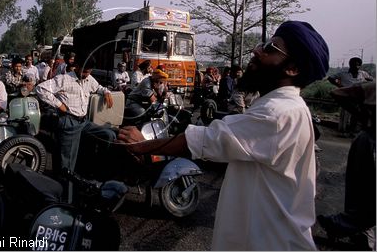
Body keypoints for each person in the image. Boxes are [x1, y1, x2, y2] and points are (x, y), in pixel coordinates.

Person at [117, 20, 330, 250]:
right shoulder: (287, 106)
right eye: (263, 44)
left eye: (270, 48)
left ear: (293, 69)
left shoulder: (279, 113)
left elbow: (205, 139)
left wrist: (142, 145)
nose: (257, 50)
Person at [317, 81, 376, 250]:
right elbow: (339, 93)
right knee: (363, 191)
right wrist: (361, 115)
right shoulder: (372, 87)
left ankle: (348, 226)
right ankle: (342, 224)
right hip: (371, 140)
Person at [35, 54, 116, 176]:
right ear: (76, 67)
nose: (86, 75)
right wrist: (59, 104)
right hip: (69, 122)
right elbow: (41, 88)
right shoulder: (64, 79)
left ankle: (95, 172)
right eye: (84, 71)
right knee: (67, 164)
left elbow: (98, 87)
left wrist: (106, 91)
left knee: (109, 134)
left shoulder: (89, 79)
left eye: (89, 72)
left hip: (84, 122)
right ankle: (64, 188)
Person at [328, 57, 373, 134]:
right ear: (350, 65)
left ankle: (352, 131)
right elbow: (330, 78)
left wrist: (367, 83)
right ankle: (343, 130)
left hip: (358, 98)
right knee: (345, 114)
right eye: (354, 65)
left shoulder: (363, 74)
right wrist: (340, 86)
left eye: (358, 65)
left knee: (356, 115)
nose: (356, 67)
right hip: (346, 96)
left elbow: (372, 80)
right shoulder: (343, 73)